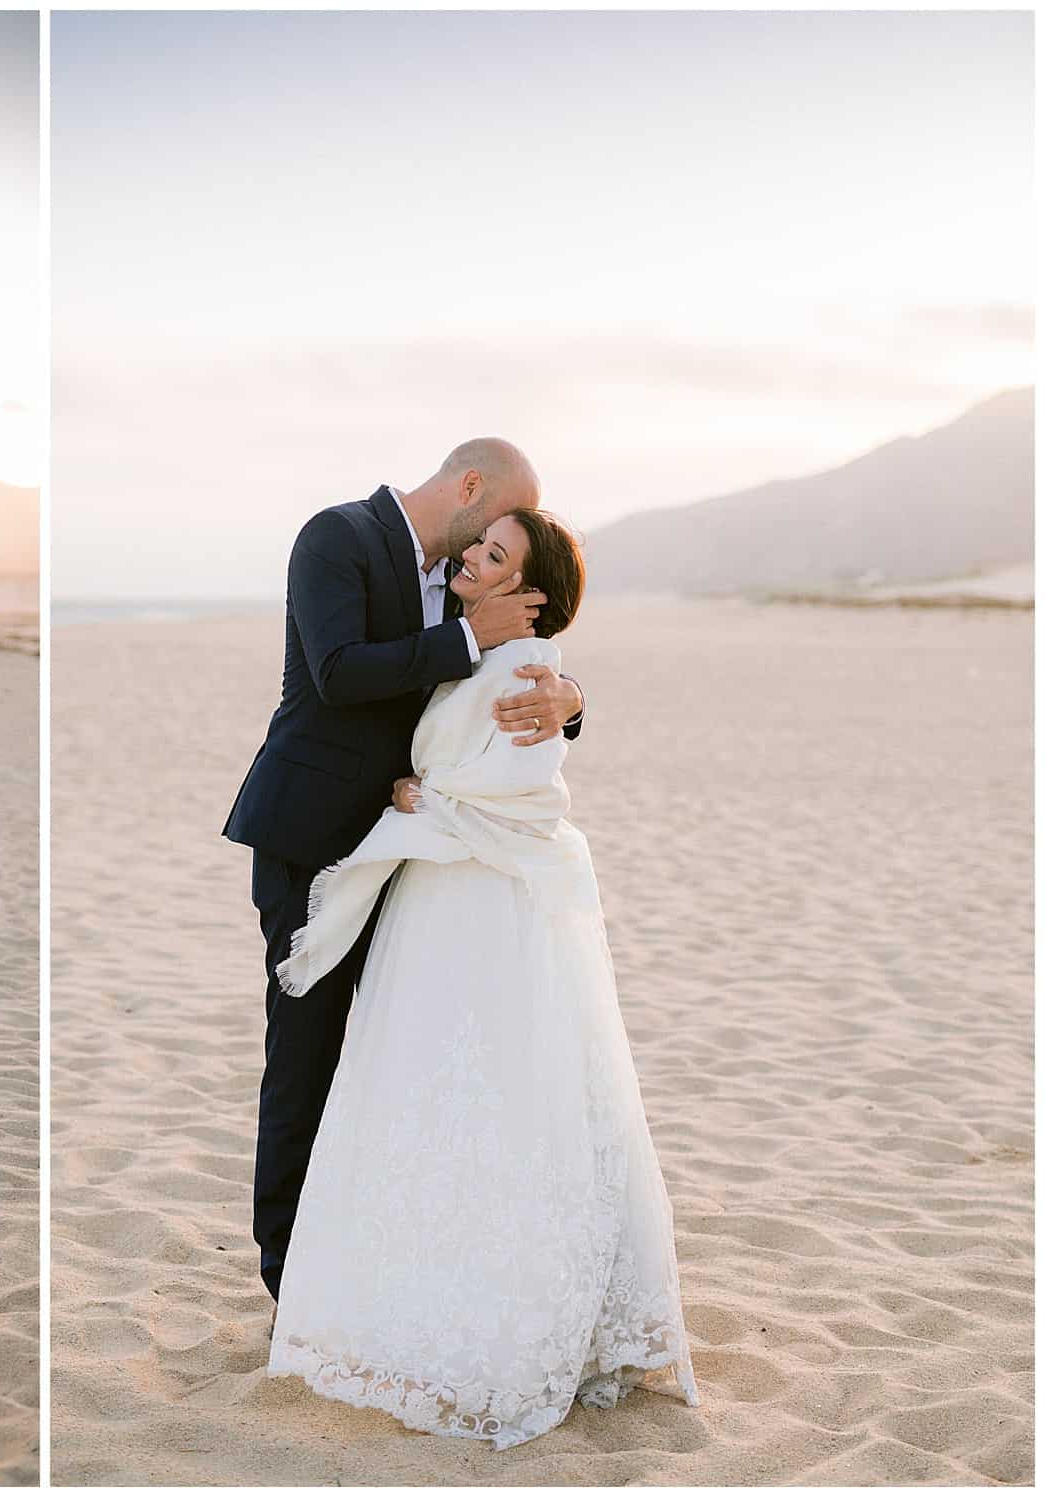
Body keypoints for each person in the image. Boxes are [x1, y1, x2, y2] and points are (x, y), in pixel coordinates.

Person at [266, 509, 698, 1448]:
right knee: (348, 1079)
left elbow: (527, 785)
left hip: (460, 904)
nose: (472, 557)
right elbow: (346, 673)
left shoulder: (518, 663)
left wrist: (439, 786)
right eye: (480, 543)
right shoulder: (355, 547)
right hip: (371, 862)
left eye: (495, 556)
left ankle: (456, 1310)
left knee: (458, 1098)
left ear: (523, 589)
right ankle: (319, 1282)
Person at [222, 439, 586, 1303]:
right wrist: (465, 635)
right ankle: (291, 1285)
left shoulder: (470, 590)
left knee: (392, 1055)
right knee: (306, 1055)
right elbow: (339, 673)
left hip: (416, 854)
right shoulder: (336, 537)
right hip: (312, 838)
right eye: (495, 526)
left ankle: (380, 1258)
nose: (489, 549)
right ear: (469, 487)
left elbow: (511, 663)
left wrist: (571, 701)